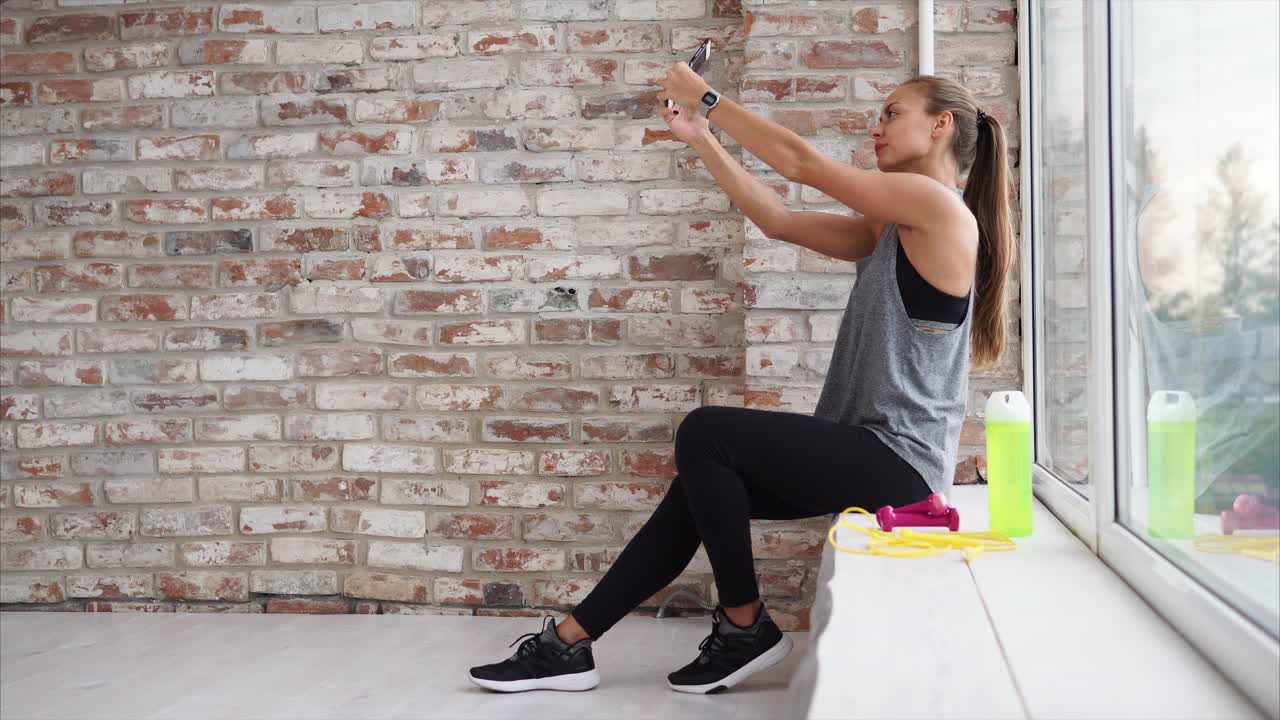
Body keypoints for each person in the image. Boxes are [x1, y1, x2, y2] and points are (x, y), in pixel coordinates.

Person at [468, 65, 1014, 695]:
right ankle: (569, 644)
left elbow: (801, 163)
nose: (877, 126)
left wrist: (708, 97)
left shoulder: (937, 207)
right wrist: (702, 135)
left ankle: (743, 625)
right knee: (697, 492)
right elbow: (778, 221)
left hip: (901, 461)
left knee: (707, 432)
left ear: (940, 125)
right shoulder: (894, 223)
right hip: (870, 451)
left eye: (893, 112)